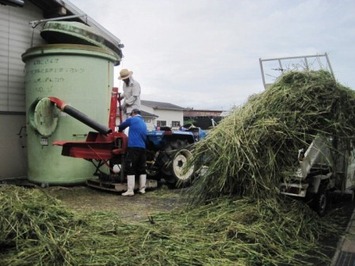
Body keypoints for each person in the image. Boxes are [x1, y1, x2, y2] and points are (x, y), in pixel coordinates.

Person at [118, 109, 147, 196]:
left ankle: (130, 190)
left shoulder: (132, 119)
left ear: (134, 113)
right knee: (141, 167)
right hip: (142, 148)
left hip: (133, 147)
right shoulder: (143, 122)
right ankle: (142, 189)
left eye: (131, 114)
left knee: (130, 166)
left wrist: (119, 131)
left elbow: (121, 126)